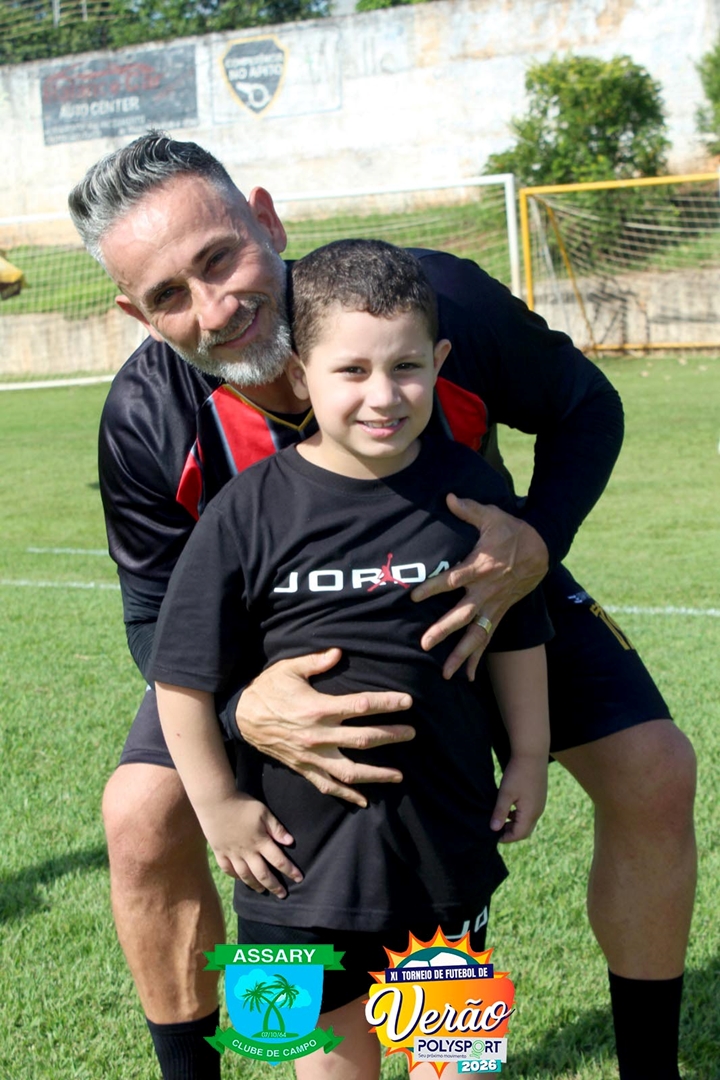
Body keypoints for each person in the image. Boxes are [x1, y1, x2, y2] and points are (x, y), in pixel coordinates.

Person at [68, 131, 696, 1080]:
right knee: (140, 815)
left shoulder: (431, 301)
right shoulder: (147, 417)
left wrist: (535, 539)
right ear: (136, 313)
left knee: (654, 769)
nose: (215, 307)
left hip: (476, 591)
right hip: (275, 648)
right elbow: (155, 619)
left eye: (220, 258)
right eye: (169, 296)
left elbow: (586, 408)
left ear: (267, 221)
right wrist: (242, 706)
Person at [151, 238, 553, 1078]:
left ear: (439, 362)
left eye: (406, 366)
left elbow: (515, 630)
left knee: (457, 1061)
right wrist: (219, 807)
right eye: (352, 371)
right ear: (300, 375)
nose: (383, 395)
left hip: (442, 847)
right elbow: (181, 675)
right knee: (319, 1060)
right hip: (290, 867)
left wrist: (527, 755)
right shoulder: (246, 511)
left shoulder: (473, 497)